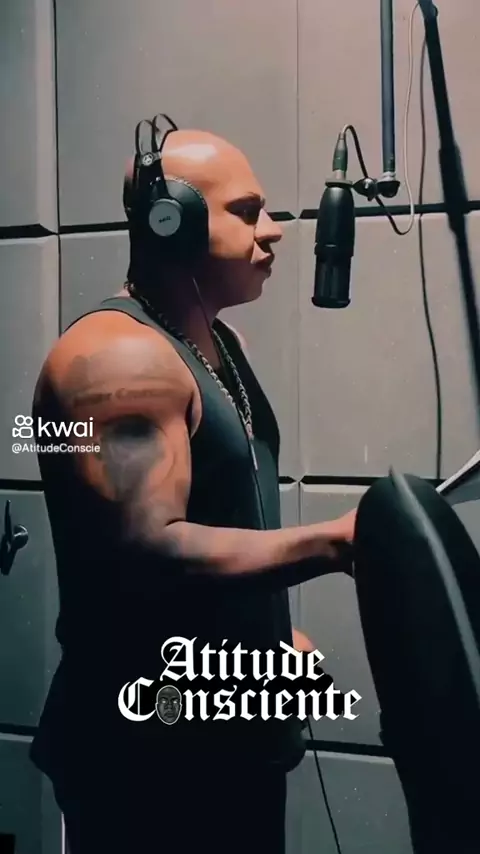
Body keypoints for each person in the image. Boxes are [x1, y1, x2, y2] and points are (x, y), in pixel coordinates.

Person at [30, 118, 357, 854]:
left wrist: (264, 640)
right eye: (247, 211)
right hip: (146, 757)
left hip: (225, 730)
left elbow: (219, 507)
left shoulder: (220, 344)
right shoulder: (117, 360)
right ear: (168, 221)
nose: (273, 231)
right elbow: (150, 550)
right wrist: (336, 541)